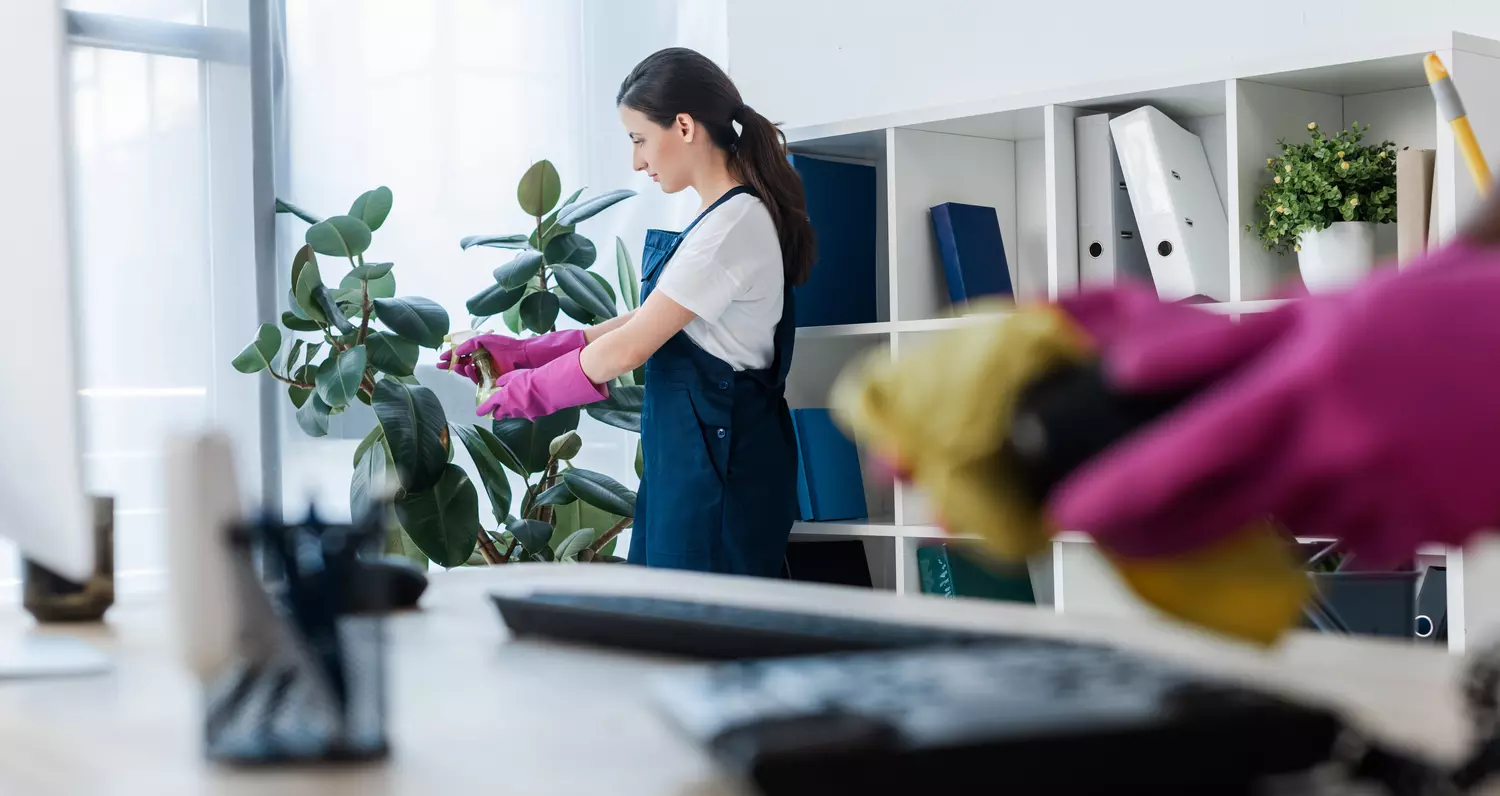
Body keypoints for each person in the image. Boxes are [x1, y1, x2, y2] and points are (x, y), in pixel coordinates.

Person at [439, 47, 815, 577]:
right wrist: (522, 354)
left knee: (697, 640)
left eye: (640, 139)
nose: (638, 162)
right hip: (693, 470)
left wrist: (532, 392)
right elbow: (641, 323)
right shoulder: (721, 220)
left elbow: (635, 346)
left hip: (717, 480)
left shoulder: (733, 225)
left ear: (683, 126)